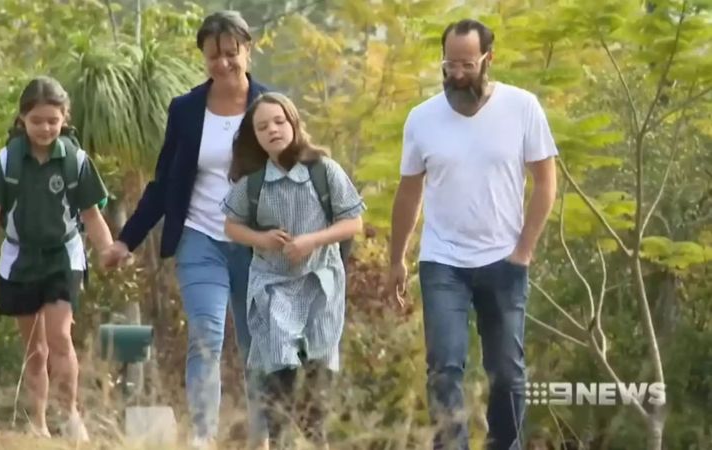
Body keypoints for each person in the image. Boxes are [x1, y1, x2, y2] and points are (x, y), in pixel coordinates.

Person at [388, 19, 558, 450]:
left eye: (467, 64)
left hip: (504, 258)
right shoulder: (422, 118)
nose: (457, 74)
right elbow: (409, 193)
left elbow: (545, 182)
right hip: (442, 260)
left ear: (487, 59)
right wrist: (397, 259)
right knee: (444, 367)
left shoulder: (522, 107)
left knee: (507, 370)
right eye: (450, 65)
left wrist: (523, 250)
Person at [105, 11, 270, 449]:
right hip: (201, 238)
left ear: (247, 51)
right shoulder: (186, 109)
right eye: (213, 55)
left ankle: (263, 436)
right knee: (206, 336)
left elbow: (295, 176)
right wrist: (126, 240)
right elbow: (164, 184)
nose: (223, 64)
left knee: (259, 345)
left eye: (231, 54)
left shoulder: (271, 106)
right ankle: (201, 435)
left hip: (257, 246)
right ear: (203, 57)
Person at [0, 75, 117, 441]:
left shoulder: (76, 160)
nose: (45, 128)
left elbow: (91, 215)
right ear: (22, 119)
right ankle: (37, 422)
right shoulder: (6, 162)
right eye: (37, 120)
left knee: (59, 336)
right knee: (35, 350)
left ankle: (69, 414)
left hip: (63, 257)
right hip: (19, 259)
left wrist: (107, 249)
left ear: (64, 119)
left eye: (53, 121)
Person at [222, 92, 365, 449]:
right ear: (254, 136)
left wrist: (312, 240)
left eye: (279, 121)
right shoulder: (253, 183)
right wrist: (262, 238)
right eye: (262, 126)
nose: (272, 130)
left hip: (321, 284)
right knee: (279, 372)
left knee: (317, 379)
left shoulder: (323, 171)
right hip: (273, 286)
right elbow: (231, 226)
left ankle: (318, 442)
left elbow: (353, 222)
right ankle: (284, 441)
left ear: (293, 123)